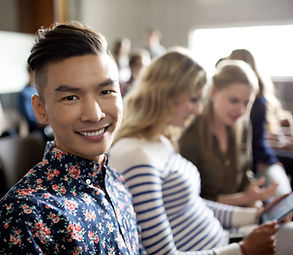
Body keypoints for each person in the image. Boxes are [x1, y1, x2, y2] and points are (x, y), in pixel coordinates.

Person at [108, 48, 291, 255]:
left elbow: (192, 203)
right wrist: (243, 250)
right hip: (222, 247)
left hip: (224, 239)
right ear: (166, 94)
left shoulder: (159, 141)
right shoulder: (137, 156)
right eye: (194, 100)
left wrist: (256, 215)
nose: (197, 110)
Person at [0, 21, 145, 254]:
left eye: (106, 91)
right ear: (40, 109)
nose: (94, 114)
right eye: (71, 98)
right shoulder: (27, 212)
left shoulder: (117, 181)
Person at [179, 59, 279, 207]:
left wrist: (259, 199)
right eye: (234, 101)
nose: (240, 110)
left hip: (242, 213)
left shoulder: (243, 125)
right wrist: (245, 199)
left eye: (246, 103)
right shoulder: (190, 135)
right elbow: (192, 200)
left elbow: (245, 175)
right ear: (213, 92)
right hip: (208, 218)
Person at [227, 49, 292, 196]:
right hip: (257, 158)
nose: (241, 109)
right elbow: (256, 143)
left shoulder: (257, 101)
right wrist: (271, 160)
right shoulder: (258, 101)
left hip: (256, 155)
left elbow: (256, 138)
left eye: (245, 103)